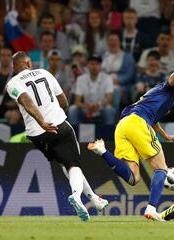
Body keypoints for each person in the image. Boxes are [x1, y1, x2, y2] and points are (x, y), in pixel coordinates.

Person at [87, 47, 174, 221]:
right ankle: (152, 209)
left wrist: (166, 136)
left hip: (123, 125)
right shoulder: (169, 88)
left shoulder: (166, 101)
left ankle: (102, 150)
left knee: (133, 178)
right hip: (137, 122)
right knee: (161, 168)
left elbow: (153, 121)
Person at [6, 51, 108, 222]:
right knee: (73, 164)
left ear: (14, 68)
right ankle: (76, 196)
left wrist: (40, 123)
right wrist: (46, 120)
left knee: (64, 162)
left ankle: (94, 199)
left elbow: (24, 99)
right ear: (29, 63)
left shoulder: (12, 83)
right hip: (58, 126)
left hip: (37, 135)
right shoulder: (45, 73)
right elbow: (64, 102)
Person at [68, 54, 115, 125]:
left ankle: (109, 135)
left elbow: (110, 99)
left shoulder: (107, 78)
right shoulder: (81, 79)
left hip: (101, 108)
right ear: (87, 65)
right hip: (86, 110)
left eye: (97, 64)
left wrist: (99, 104)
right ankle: (73, 134)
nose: (94, 66)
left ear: (100, 66)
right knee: (72, 109)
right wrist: (86, 106)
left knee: (108, 110)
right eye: (92, 64)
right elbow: (77, 101)